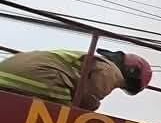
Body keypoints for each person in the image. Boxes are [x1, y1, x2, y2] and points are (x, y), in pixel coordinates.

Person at [0, 48, 152, 111]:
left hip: (8, 72)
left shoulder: (95, 61)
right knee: (65, 120)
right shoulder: (112, 72)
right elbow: (89, 97)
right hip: (43, 76)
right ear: (132, 75)